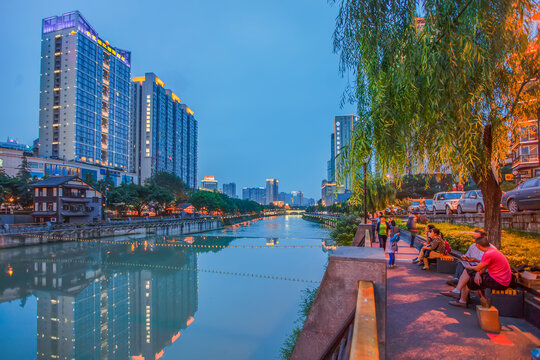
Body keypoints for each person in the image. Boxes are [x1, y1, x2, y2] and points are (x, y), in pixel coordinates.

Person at [449, 231, 512, 308]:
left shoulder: (488, 253)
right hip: (499, 278)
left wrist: (468, 267)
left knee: (468, 275)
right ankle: (458, 293)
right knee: (468, 274)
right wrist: (477, 269)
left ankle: (460, 297)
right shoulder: (492, 251)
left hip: (499, 281)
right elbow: (484, 266)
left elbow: (478, 267)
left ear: (478, 245)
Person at [441, 230, 495, 298]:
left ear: (484, 237)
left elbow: (485, 265)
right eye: (474, 238)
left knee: (467, 271)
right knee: (461, 264)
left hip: (483, 269)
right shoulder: (473, 246)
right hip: (474, 265)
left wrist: (476, 268)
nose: (475, 241)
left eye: (477, 238)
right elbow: (467, 256)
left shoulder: (490, 250)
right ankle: (458, 289)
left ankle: (458, 290)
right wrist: (465, 258)